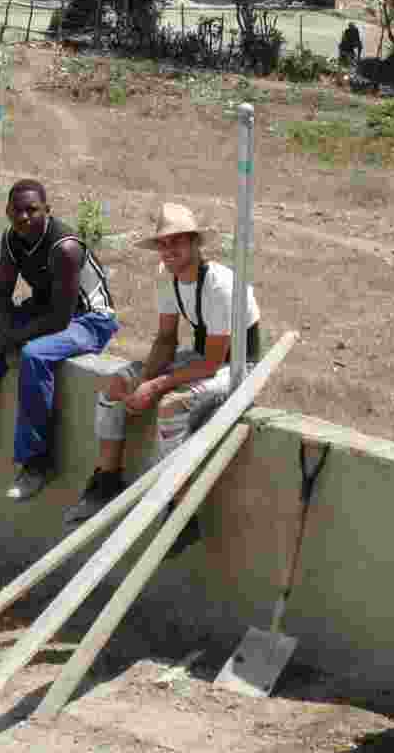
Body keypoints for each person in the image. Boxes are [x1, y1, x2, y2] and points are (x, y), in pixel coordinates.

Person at [65, 202, 260, 529]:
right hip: (200, 357)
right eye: (163, 243)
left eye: (177, 242)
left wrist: (156, 386)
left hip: (238, 365)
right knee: (116, 386)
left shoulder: (220, 286)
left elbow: (213, 363)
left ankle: (181, 511)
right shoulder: (168, 277)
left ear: (196, 244)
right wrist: (142, 378)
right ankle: (107, 479)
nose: (169, 250)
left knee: (172, 406)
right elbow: (167, 338)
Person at [0, 178, 118, 501]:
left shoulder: (65, 248)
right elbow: (1, 294)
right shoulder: (12, 239)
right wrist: (2, 334)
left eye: (32, 210)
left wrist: (7, 342)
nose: (24, 217)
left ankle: (37, 463)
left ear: (47, 211)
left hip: (88, 319)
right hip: (44, 312)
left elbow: (62, 320)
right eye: (17, 211)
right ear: (7, 211)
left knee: (35, 355)